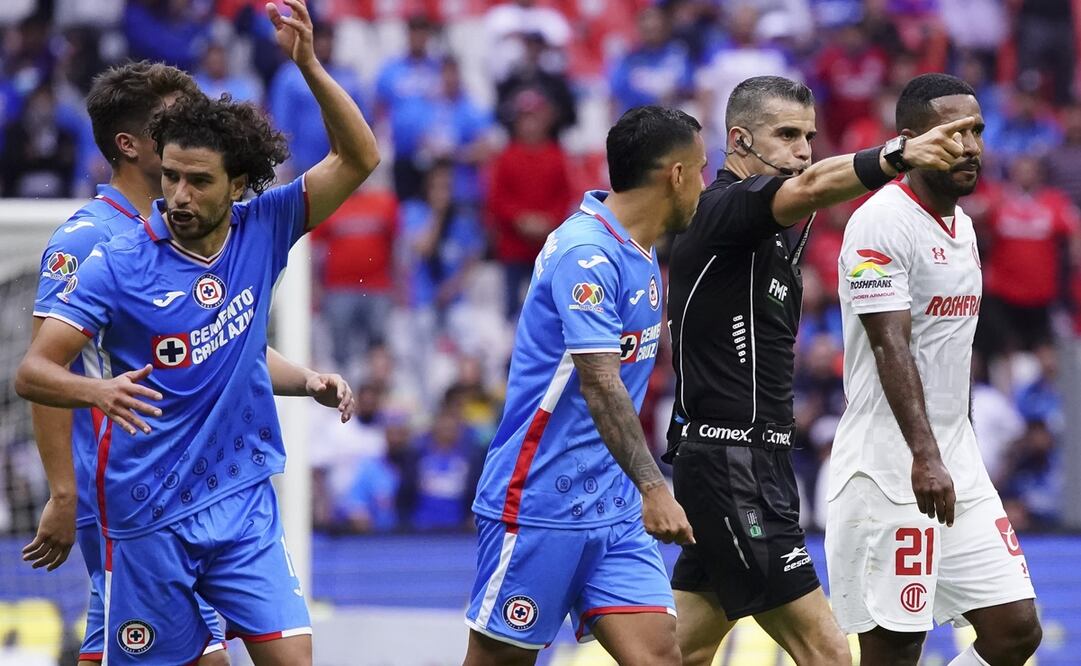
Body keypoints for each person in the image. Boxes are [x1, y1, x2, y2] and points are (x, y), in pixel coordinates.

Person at [15, 1, 379, 663]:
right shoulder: (107, 254)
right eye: (172, 172)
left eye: (197, 179)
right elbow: (36, 372)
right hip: (143, 506)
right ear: (141, 148)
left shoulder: (259, 228)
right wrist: (70, 472)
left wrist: (308, 64)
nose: (179, 193)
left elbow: (216, 347)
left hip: (238, 497)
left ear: (236, 184)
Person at [664, 74, 978, 665]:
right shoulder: (724, 209)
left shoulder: (771, 235)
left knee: (681, 651)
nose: (803, 149)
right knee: (828, 652)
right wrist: (899, 154)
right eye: (786, 135)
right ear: (739, 140)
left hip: (748, 462)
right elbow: (810, 186)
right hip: (735, 464)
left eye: (808, 135)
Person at [463, 106, 704, 665]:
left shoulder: (638, 250)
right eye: (700, 168)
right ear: (674, 175)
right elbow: (600, 383)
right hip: (541, 501)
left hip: (614, 507)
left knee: (661, 658)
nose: (703, 181)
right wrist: (655, 487)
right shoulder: (586, 255)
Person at [827, 73, 1042, 666]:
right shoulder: (879, 222)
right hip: (892, 467)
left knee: (1016, 630)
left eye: (976, 131)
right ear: (911, 141)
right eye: (953, 133)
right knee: (896, 651)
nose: (970, 146)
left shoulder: (964, 226)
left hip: (957, 459)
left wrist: (950, 448)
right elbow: (889, 345)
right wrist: (924, 454)